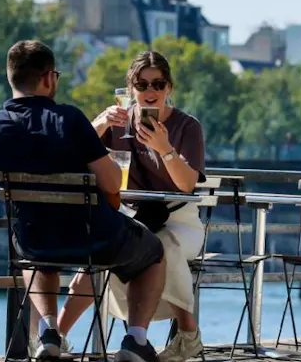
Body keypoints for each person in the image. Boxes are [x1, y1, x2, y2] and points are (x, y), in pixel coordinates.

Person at [0, 41, 165, 362]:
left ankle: (49, 332)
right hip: (94, 239)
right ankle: (135, 340)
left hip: (33, 239)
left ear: (11, 78)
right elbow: (112, 182)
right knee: (154, 252)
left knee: (35, 253)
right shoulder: (70, 119)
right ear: (49, 78)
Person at [57, 51, 207, 362]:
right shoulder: (118, 123)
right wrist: (98, 125)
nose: (150, 91)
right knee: (102, 250)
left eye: (158, 84)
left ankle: (184, 334)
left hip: (178, 219)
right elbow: (68, 159)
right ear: (130, 89)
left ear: (169, 87)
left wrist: (164, 149)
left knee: (159, 244)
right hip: (131, 215)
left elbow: (187, 185)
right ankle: (55, 336)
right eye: (141, 84)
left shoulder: (187, 127)